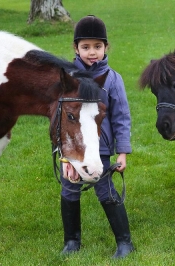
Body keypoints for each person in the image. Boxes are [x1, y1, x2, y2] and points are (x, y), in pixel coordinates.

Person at [59, 15, 134, 258]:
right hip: (73, 149)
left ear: (106, 47)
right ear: (76, 48)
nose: (92, 52)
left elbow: (122, 118)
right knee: (69, 190)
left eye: (98, 47)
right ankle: (71, 241)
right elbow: (60, 121)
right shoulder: (67, 79)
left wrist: (122, 152)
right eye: (86, 47)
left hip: (99, 150)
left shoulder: (113, 80)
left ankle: (125, 243)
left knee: (105, 190)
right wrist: (65, 158)